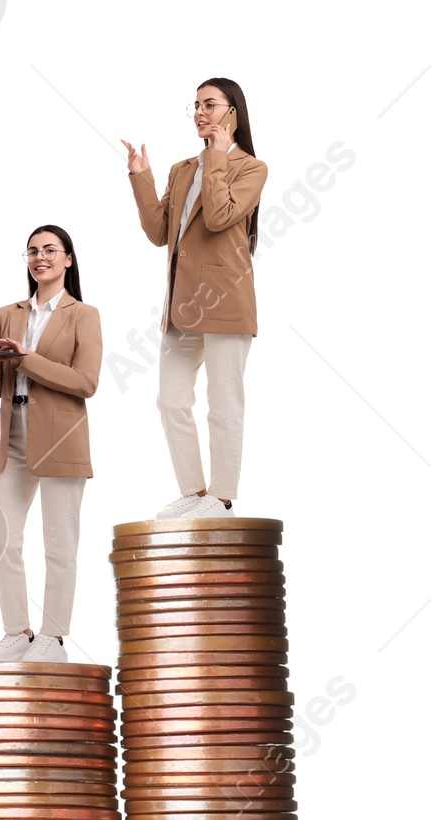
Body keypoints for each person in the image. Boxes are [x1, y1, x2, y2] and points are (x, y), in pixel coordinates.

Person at [0, 224, 103, 664]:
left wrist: (27, 358)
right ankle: (18, 631)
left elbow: (85, 382)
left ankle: (53, 637)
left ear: (68, 259)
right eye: (32, 251)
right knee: (2, 540)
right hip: (12, 437)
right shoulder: (8, 313)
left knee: (58, 543)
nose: (40, 257)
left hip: (61, 440)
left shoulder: (83, 315)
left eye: (50, 250)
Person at [123, 77, 267, 518]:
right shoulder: (183, 168)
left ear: (232, 113)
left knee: (224, 403)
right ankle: (194, 491)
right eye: (196, 106)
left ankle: (221, 498)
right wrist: (141, 177)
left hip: (225, 298)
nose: (200, 113)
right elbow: (159, 232)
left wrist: (218, 157)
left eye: (210, 104)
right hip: (183, 304)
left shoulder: (251, 168)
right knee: (171, 400)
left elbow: (221, 215)